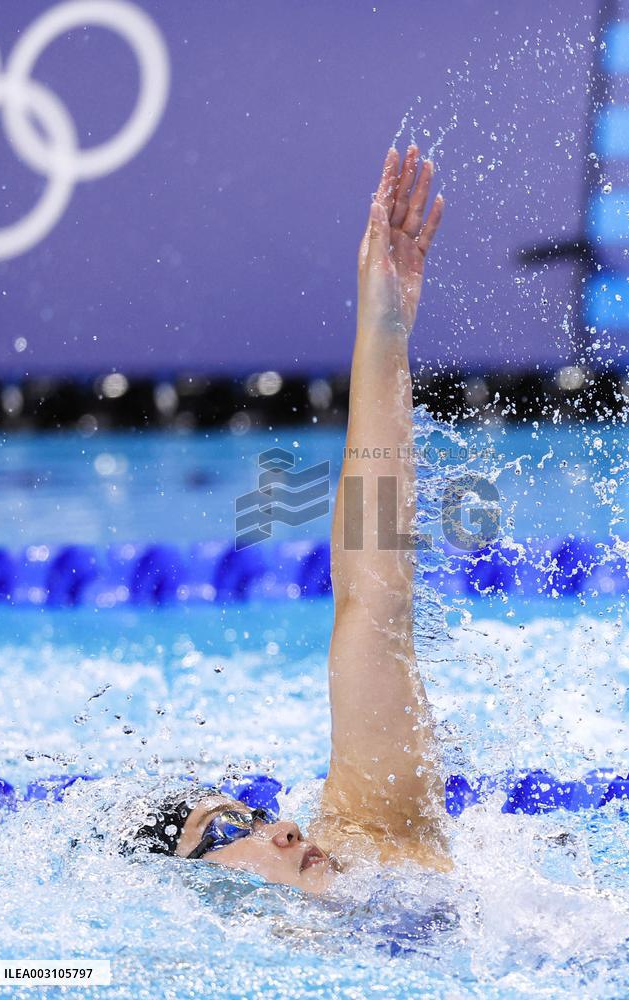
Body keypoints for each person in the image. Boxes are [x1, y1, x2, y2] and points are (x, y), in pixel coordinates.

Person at [132, 145, 446, 893]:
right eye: (226, 833)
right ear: (185, 889)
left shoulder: (373, 839)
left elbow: (374, 598)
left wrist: (383, 331)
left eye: (247, 815)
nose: (284, 828)